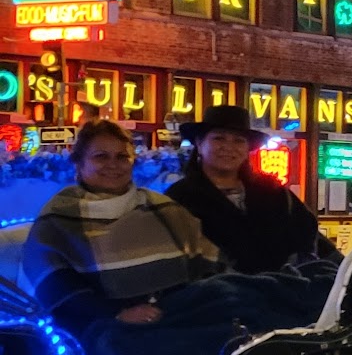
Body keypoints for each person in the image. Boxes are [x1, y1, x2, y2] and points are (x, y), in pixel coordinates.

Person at [23, 120, 221, 335]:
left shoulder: (163, 208)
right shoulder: (59, 217)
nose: (113, 164)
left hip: (182, 320)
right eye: (101, 156)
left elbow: (207, 263)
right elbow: (54, 284)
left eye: (122, 157)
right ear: (79, 163)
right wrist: (116, 314)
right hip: (103, 330)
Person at [168, 105, 335, 273]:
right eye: (219, 138)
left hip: (283, 287)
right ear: (199, 143)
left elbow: (310, 238)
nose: (228, 147)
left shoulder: (274, 192)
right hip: (212, 288)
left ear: (248, 148)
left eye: (238, 140)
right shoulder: (180, 198)